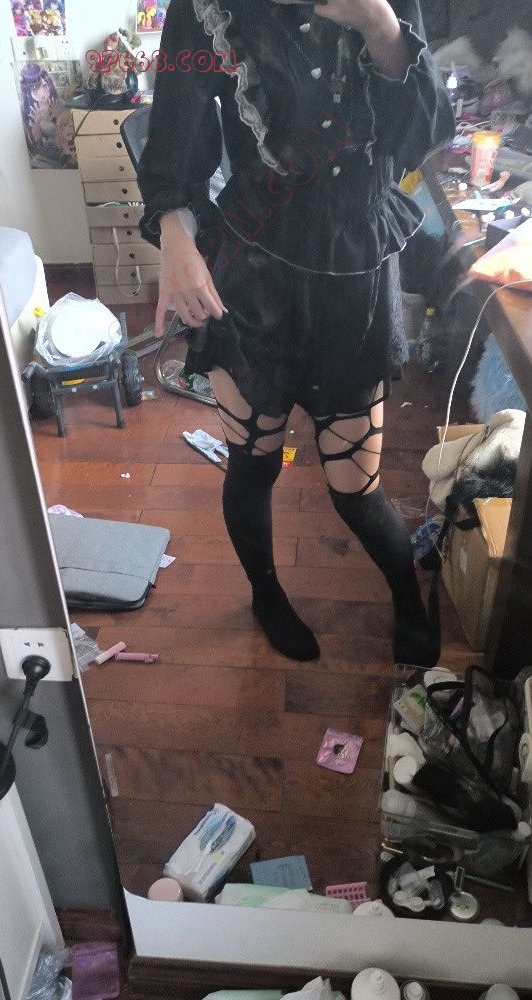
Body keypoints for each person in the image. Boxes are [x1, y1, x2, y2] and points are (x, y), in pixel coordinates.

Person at [138, 0, 455, 665]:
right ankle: (266, 595)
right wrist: (176, 238)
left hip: (354, 274)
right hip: (251, 272)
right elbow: (174, 136)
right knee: (253, 463)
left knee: (355, 488)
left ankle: (407, 596)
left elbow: (420, 139)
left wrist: (380, 27)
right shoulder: (206, 9)